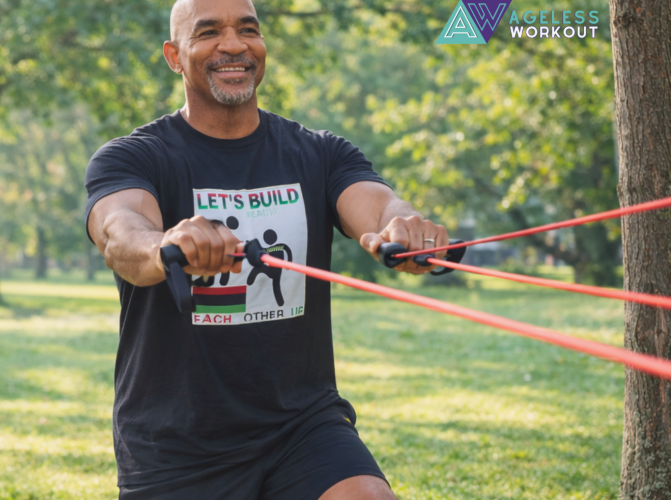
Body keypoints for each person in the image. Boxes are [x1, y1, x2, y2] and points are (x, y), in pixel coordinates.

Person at [84, 0, 449, 498]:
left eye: (248, 30)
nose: (234, 45)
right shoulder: (134, 157)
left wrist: (401, 227)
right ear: (174, 56)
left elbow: (379, 206)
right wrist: (164, 245)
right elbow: (119, 232)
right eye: (208, 32)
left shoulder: (321, 152)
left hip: (302, 424)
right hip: (175, 440)